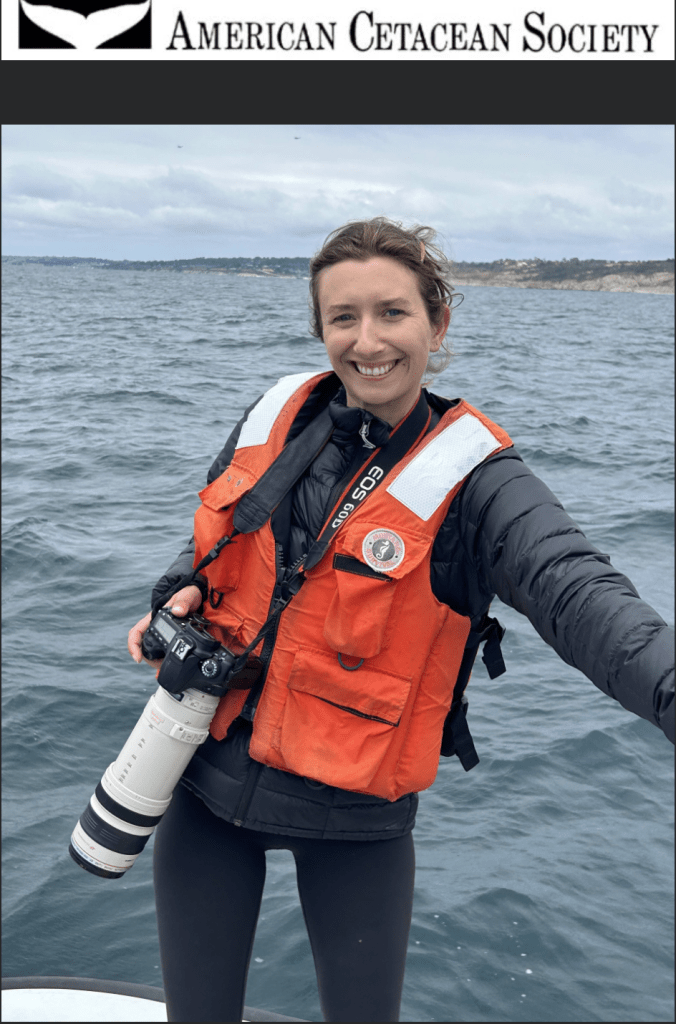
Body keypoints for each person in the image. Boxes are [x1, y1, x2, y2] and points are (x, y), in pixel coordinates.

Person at [127, 217, 674, 1023]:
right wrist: (173, 595)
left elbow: (579, 591)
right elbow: (212, 541)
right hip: (203, 794)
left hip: (356, 826)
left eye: (393, 312)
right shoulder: (273, 413)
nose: (368, 340)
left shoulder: (480, 483)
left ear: (437, 323)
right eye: (343, 317)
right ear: (320, 329)